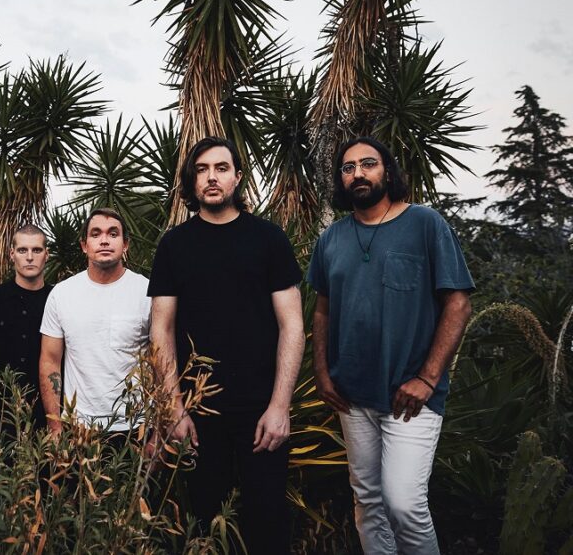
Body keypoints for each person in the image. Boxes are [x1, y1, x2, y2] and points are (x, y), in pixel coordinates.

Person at [308, 136, 473, 555]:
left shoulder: (424, 223)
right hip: (353, 395)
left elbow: (457, 303)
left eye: (368, 164)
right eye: (348, 168)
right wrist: (323, 372)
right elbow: (323, 310)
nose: (358, 173)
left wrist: (427, 378)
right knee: (368, 502)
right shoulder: (332, 239)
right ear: (340, 179)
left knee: (404, 504)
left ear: (388, 171)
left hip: (411, 396)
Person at [148, 136, 304, 554]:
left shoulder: (269, 239)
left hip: (261, 412)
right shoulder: (174, 246)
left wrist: (280, 406)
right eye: (201, 170)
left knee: (267, 524)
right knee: (204, 527)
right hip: (198, 415)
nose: (211, 177)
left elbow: (293, 326)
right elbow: (160, 331)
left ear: (237, 177)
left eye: (220, 168)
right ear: (191, 181)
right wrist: (174, 408)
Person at [39, 207, 151, 435]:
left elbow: (162, 360)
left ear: (125, 244)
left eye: (113, 234)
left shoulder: (146, 292)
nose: (104, 241)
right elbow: (50, 362)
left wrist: (157, 429)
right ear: (84, 245)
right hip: (79, 428)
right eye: (96, 233)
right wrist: (55, 426)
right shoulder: (62, 295)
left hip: (136, 427)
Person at [0, 224, 52, 431]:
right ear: (12, 254)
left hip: (46, 421)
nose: (30, 257)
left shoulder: (58, 300)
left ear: (46, 255)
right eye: (23, 250)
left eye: (37, 250)